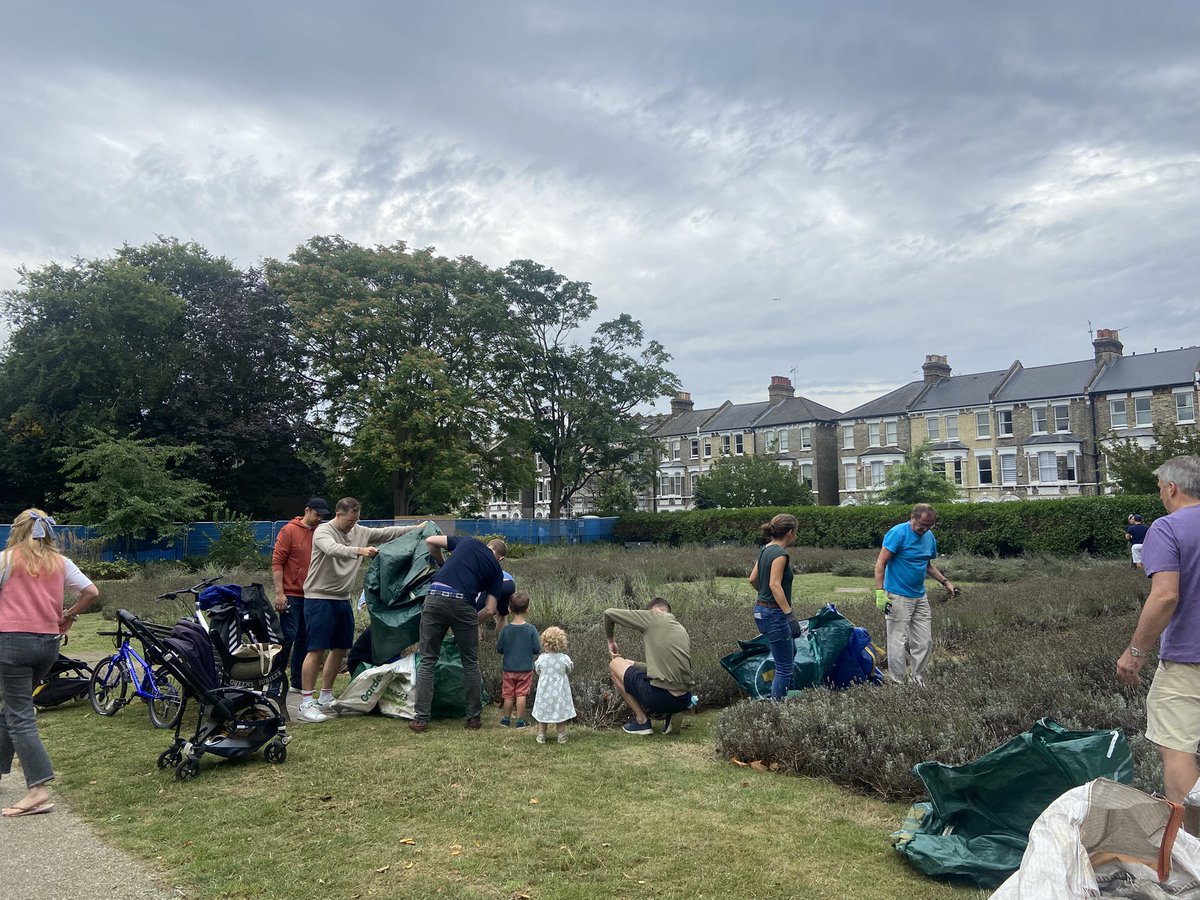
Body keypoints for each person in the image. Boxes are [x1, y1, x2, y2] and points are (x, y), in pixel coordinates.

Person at [0, 509, 99, 817]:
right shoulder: (61, 562)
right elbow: (91, 591)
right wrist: (68, 615)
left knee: (19, 714)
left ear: (17, 530)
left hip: (12, 644)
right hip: (47, 646)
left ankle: (38, 789)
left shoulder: (5, 559)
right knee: (13, 707)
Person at [1117, 456, 1200, 805]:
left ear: (1171, 488)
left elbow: (1165, 595)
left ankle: (1191, 847)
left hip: (1187, 659)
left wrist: (1135, 652)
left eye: (1160, 489)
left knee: (1177, 748)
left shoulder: (1166, 528)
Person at [297, 498, 426, 724]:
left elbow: (387, 533)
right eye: (349, 520)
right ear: (338, 514)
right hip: (319, 598)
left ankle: (325, 695)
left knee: (340, 648)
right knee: (316, 649)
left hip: (342, 599)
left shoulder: (359, 530)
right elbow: (333, 549)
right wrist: (360, 551)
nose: (352, 525)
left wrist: (417, 528)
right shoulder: (323, 532)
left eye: (356, 520)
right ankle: (306, 702)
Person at [408, 536, 507, 732]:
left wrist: (442, 562)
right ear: (500, 558)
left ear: (487, 545)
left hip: (435, 596)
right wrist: (469, 624)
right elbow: (489, 609)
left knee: (428, 659)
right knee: (470, 662)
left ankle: (421, 719)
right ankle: (473, 719)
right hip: (464, 604)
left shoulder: (467, 542)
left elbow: (430, 541)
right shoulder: (496, 571)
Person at [873, 503, 956, 685]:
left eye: (929, 526)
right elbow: (880, 564)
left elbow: (927, 565)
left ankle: (919, 681)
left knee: (924, 642)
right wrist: (880, 592)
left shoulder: (929, 537)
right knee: (898, 641)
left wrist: (945, 582)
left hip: (919, 595)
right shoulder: (898, 533)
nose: (924, 530)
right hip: (897, 595)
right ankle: (898, 683)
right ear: (912, 517)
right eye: (921, 525)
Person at [604, 598, 695, 736]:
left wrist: (611, 641)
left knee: (614, 664)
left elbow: (609, 613)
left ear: (653, 610)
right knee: (632, 667)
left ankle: (641, 721)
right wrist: (633, 664)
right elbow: (666, 669)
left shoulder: (654, 617)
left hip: (660, 698)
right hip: (684, 698)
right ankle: (673, 713)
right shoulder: (680, 629)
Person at [270, 497, 330, 695]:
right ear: (307, 510)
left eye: (322, 516)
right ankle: (275, 682)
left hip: (312, 594)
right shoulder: (289, 530)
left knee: (305, 638)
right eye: (316, 514)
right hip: (291, 594)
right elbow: (277, 562)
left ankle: (297, 681)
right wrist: (280, 593)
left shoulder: (321, 532)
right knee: (287, 637)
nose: (319, 519)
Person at [748, 513, 801, 700]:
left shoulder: (765, 549)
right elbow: (774, 585)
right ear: (790, 532)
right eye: (796, 531)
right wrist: (789, 615)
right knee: (784, 667)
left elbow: (753, 579)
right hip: (775, 615)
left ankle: (791, 694)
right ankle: (776, 711)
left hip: (761, 611)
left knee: (791, 652)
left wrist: (764, 597)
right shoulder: (780, 554)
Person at [495, 591, 540, 728]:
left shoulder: (506, 629)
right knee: (521, 694)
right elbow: (537, 649)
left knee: (508, 694)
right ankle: (520, 721)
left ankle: (506, 719)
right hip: (525, 669)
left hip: (508, 668)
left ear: (509, 609)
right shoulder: (531, 629)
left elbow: (499, 648)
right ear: (527, 609)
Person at [533, 626, 575, 744]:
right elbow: (569, 669)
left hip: (544, 691)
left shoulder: (542, 659)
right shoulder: (564, 659)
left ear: (544, 643)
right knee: (559, 712)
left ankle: (542, 735)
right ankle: (561, 735)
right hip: (560, 692)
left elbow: (537, 670)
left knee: (543, 712)